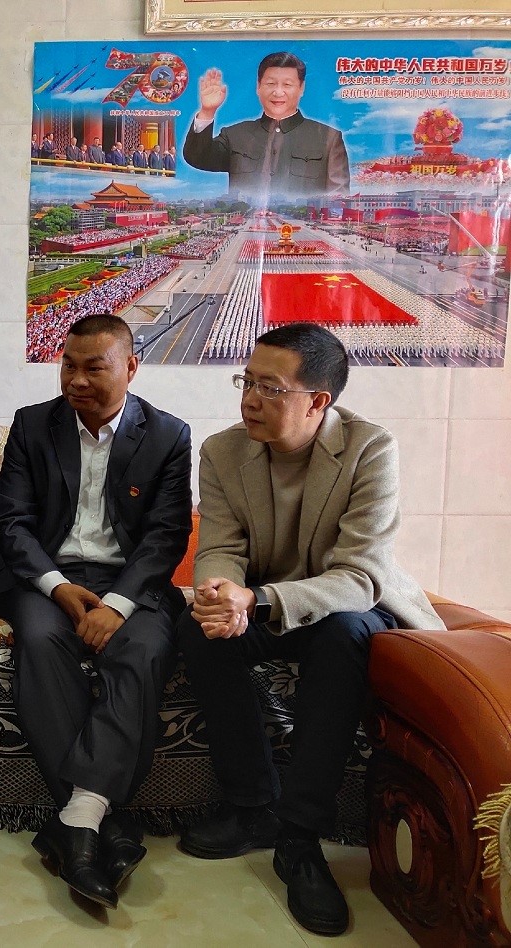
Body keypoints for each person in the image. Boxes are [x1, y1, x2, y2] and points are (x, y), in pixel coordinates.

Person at [176, 323, 443, 936]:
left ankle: (300, 837)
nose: (249, 399)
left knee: (344, 636)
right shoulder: (222, 451)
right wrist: (219, 594)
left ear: (318, 400)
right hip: (261, 601)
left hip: (341, 603)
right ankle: (251, 806)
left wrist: (258, 598)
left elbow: (360, 575)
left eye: (269, 388)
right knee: (197, 629)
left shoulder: (370, 448)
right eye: (246, 382)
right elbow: (221, 546)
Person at [0, 314, 192, 909]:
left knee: (144, 649)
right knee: (41, 641)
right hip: (47, 577)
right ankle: (102, 822)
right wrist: (57, 586)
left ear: (130, 368)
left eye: (95, 368)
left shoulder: (167, 435)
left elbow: (166, 536)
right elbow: (11, 523)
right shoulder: (32, 425)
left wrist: (117, 605)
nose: (76, 380)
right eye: (68, 365)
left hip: (129, 582)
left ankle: (75, 821)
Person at [182, 52, 349, 199]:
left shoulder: (328, 138)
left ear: (301, 88)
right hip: (247, 224)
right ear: (258, 87)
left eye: (287, 84)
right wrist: (207, 111)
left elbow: (339, 197)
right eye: (270, 83)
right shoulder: (235, 135)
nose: (278, 92)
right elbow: (198, 158)